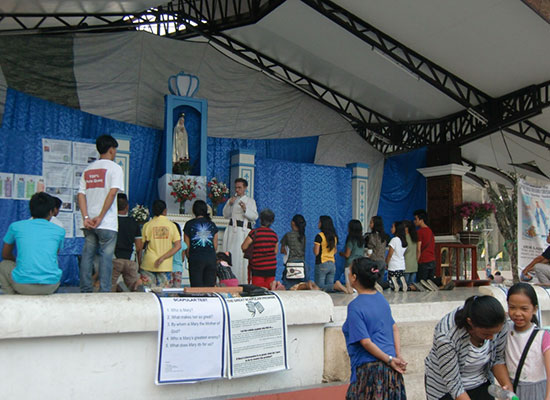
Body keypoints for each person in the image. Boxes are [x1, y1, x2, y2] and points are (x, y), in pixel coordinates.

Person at [424, 295, 513, 400]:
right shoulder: (446, 336)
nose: (491, 338)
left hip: (481, 383)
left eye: (495, 333)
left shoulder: (500, 322)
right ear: (470, 323)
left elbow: (497, 359)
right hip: (446, 390)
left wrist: (509, 393)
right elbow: (453, 384)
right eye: (486, 334)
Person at [343, 257, 407, 399]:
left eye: (350, 272)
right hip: (391, 371)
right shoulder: (381, 299)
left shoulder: (355, 307)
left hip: (369, 372)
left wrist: (389, 359)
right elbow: (394, 328)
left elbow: (366, 342)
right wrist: (397, 356)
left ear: (354, 278)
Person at [78, 135, 124, 293]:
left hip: (89, 223)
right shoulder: (115, 168)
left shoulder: (88, 169)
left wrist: (86, 217)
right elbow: (112, 193)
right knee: (106, 258)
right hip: (107, 223)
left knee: (87, 255)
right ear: (111, 149)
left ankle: (85, 289)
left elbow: (81, 194)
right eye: (115, 150)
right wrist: (101, 216)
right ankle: (104, 292)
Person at [0, 192, 65, 295]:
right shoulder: (59, 230)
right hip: (51, 285)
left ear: (30, 210)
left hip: (22, 285)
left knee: (3, 265)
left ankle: (11, 298)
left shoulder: (16, 226)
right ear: (51, 212)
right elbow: (54, 253)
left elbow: (5, 255)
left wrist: (19, 263)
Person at [505, 283, 550, 399]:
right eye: (512, 307)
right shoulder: (505, 330)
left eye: (524, 309)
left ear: (534, 309)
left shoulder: (542, 336)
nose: (517, 313)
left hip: (537, 391)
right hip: (513, 389)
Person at [222, 178, 258, 283]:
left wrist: (245, 209)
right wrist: (229, 204)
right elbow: (226, 215)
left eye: (240, 187)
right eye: (236, 188)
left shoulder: (250, 201)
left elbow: (255, 216)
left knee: (242, 258)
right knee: (232, 256)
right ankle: (231, 280)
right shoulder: (232, 200)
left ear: (245, 188)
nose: (237, 190)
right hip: (232, 232)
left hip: (244, 232)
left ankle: (243, 281)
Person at [141, 200, 181, 288]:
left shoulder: (147, 225)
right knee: (164, 293)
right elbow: (178, 246)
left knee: (149, 293)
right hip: (165, 265)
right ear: (165, 211)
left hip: (148, 263)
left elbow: (142, 245)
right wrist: (162, 258)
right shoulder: (172, 226)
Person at [111, 193, 144, 292]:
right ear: (127, 207)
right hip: (130, 259)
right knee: (134, 289)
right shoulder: (133, 222)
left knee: (109, 288)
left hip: (114, 258)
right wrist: (139, 263)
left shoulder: (111, 221)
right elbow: (139, 247)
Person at [184, 200, 218, 287]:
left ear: (194, 210)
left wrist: (189, 257)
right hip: (211, 258)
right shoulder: (212, 224)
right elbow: (215, 246)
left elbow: (186, 246)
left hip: (195, 258)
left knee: (196, 288)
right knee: (209, 288)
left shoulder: (189, 224)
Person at [242, 209, 278, 289]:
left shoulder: (254, 233)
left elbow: (244, 246)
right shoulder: (274, 234)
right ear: (272, 221)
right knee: (269, 290)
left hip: (258, 267)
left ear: (261, 219)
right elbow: (275, 251)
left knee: (258, 290)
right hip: (271, 268)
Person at [280, 214, 317, 290]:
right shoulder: (303, 236)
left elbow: (282, 250)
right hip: (302, 264)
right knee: (301, 287)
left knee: (289, 287)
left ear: (293, 223)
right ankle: (308, 284)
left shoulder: (288, 235)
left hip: (291, 264)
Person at [314, 215, 349, 293]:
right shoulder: (334, 237)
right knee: (328, 290)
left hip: (322, 263)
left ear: (323, 224)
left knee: (319, 288)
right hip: (332, 264)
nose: (318, 223)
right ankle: (335, 286)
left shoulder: (319, 236)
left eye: (319, 222)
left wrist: (314, 248)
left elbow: (316, 252)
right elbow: (335, 251)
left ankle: (335, 286)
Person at [413, 209, 437, 288]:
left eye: (416, 219)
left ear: (421, 220)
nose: (414, 221)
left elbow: (418, 249)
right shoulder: (430, 231)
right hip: (432, 261)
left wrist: (416, 261)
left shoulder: (419, 232)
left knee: (422, 285)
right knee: (430, 285)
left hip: (423, 261)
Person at [339, 219, 364, 293]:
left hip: (350, 264)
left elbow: (347, 254)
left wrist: (341, 254)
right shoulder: (362, 240)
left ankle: (340, 286)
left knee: (349, 285)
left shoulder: (351, 240)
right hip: (359, 263)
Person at [364, 216, 389, 287]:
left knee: (372, 283)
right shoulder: (384, 236)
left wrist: (368, 254)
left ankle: (389, 284)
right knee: (379, 283)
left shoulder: (372, 236)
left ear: (375, 224)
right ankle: (389, 284)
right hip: (382, 262)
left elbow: (370, 249)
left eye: (371, 222)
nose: (370, 224)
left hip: (375, 262)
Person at [386, 221, 408, 292]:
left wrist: (386, 263)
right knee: (400, 276)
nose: (391, 229)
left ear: (397, 229)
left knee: (392, 283)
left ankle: (394, 283)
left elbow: (390, 254)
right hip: (401, 265)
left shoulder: (394, 240)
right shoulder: (403, 240)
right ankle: (402, 281)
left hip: (393, 265)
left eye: (392, 227)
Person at [403, 220, 420, 290]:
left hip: (406, 265)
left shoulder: (404, 238)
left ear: (406, 228)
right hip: (414, 265)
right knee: (411, 286)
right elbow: (418, 250)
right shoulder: (415, 238)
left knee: (405, 287)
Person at [171, 222, 188, 288]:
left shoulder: (168, 244)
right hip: (178, 269)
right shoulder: (182, 244)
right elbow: (182, 259)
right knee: (176, 288)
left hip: (168, 268)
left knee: (167, 288)